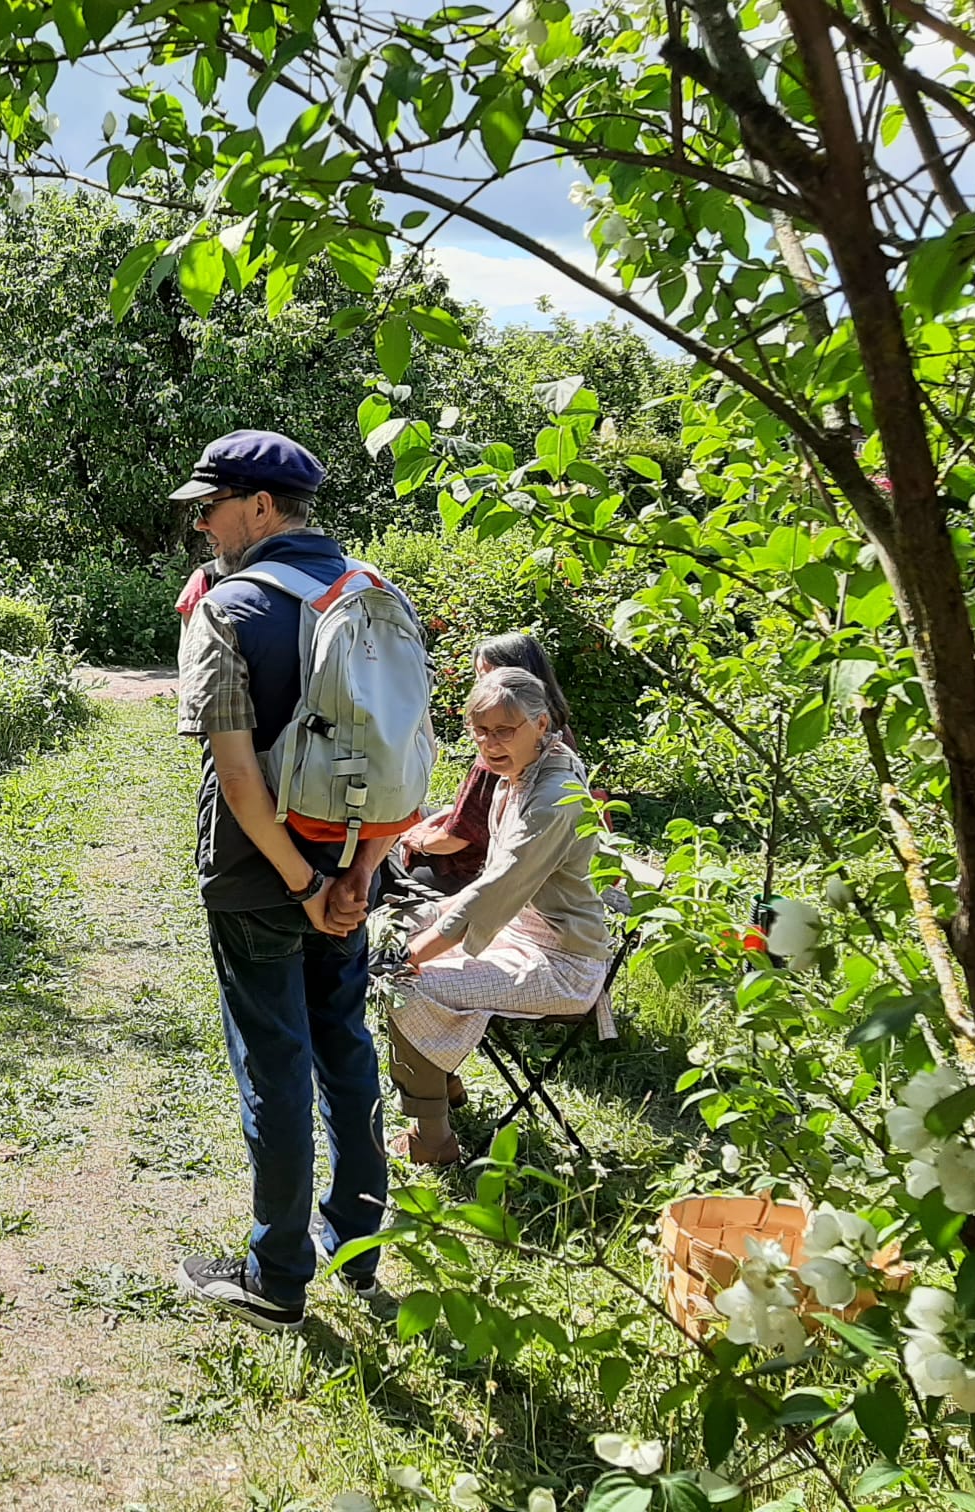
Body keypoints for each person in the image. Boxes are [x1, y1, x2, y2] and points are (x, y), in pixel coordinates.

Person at [170, 429, 397, 1332]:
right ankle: (360, 1249)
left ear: (260, 507)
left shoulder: (227, 610)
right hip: (353, 866)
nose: (202, 529)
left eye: (210, 509)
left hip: (262, 877)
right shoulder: (375, 594)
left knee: (275, 1063)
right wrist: (355, 875)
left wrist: (301, 883)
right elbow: (404, 759)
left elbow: (238, 778)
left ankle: (275, 1278)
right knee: (344, 1043)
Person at [387, 666, 612, 1166]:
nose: (489, 743)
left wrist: (419, 952)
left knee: (403, 979)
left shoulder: (552, 795)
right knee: (393, 934)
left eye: (504, 730)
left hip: (564, 963)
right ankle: (443, 1088)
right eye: (481, 730)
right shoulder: (530, 768)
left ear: (542, 723)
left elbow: (498, 886)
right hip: (521, 933)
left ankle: (433, 1139)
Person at [398, 632, 576, 896]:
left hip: (477, 873)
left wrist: (417, 840)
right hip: (519, 862)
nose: (482, 687)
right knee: (418, 814)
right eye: (480, 678)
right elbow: (477, 813)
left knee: (390, 835)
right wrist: (443, 817)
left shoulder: (497, 757)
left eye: (489, 677)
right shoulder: (559, 733)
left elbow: (457, 839)